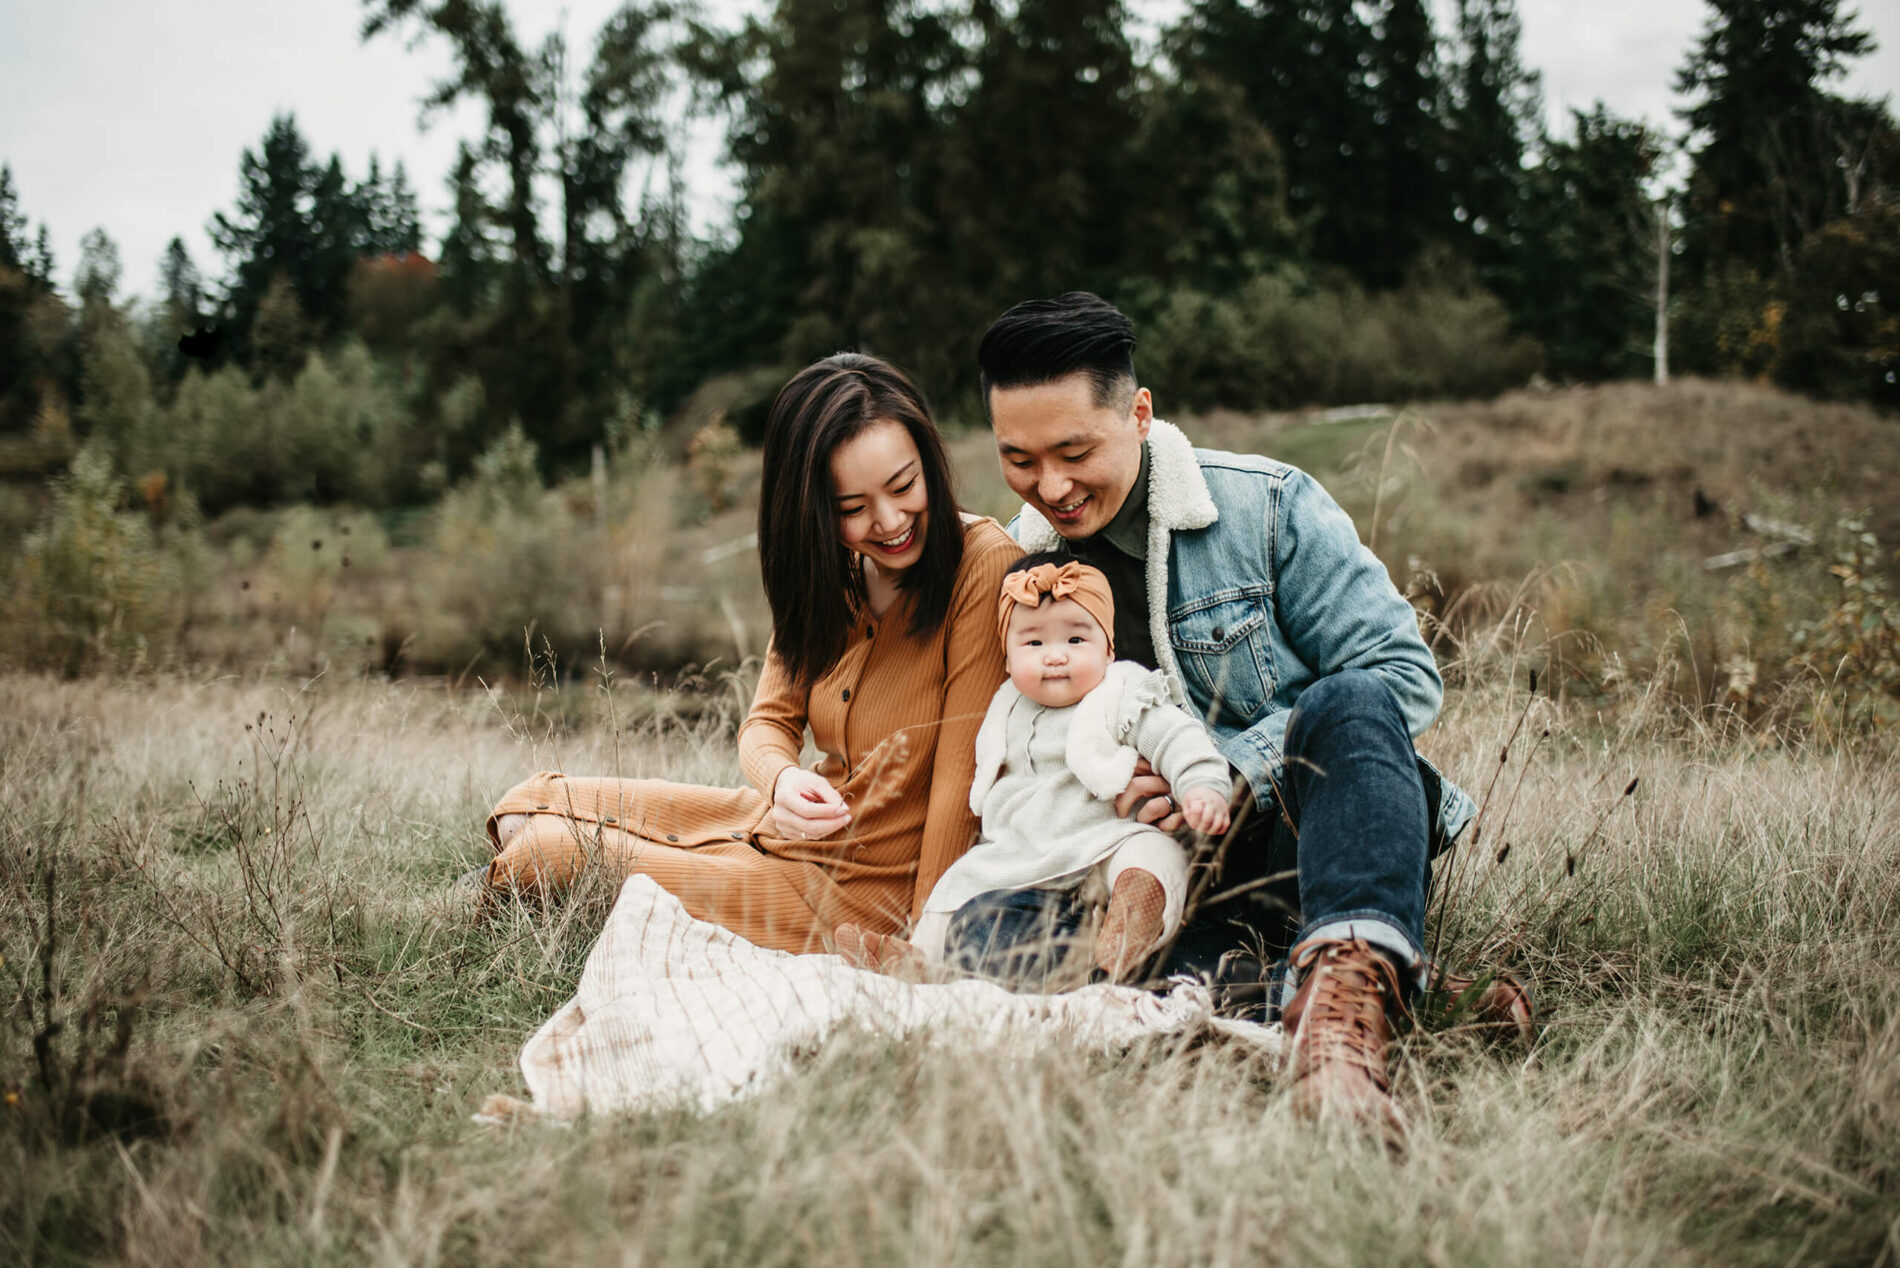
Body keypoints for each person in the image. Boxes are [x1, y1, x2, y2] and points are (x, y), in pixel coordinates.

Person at [964, 291, 1483, 1128]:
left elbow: (1403, 672)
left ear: (1138, 414)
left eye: (1073, 451)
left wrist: (1235, 770)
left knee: (1350, 696)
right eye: (1019, 459)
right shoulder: (1022, 567)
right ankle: (1403, 998)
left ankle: (1339, 1033)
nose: (1050, 486)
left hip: (1312, 838)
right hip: (1161, 878)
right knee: (1076, 971)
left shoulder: (1266, 506)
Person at [477, 353, 1021, 954]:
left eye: (904, 486)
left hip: (858, 895)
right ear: (813, 510)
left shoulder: (982, 563)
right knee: (528, 804)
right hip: (782, 826)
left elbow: (957, 788)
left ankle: (527, 889)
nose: (890, 521)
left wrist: (925, 944)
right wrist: (783, 780)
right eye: (852, 508)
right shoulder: (830, 573)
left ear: (929, 465)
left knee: (548, 854)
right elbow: (767, 723)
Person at [842, 555, 1233, 984]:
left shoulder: (1120, 693)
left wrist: (1201, 785)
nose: (1055, 657)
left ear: (1109, 648)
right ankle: (919, 957)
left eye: (1075, 640)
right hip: (1023, 853)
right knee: (956, 885)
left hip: (1103, 839)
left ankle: (1131, 923)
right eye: (1034, 644)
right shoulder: (1004, 705)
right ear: (1007, 660)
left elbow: (1175, 737)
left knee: (1153, 856)